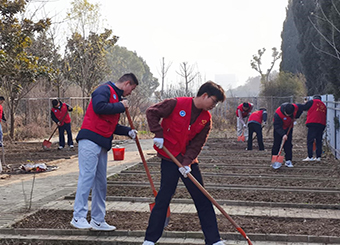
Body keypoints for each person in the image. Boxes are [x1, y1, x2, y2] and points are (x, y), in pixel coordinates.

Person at [143, 81, 227, 245]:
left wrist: (187, 163)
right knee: (163, 198)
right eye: (214, 101)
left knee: (202, 199)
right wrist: (158, 133)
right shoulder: (176, 104)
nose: (214, 105)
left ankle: (214, 240)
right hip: (169, 159)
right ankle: (150, 240)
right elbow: (151, 112)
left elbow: (197, 143)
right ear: (204, 95)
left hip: (188, 163)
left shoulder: (206, 119)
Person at [70, 73, 139, 231]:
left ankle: (98, 219)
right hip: (89, 140)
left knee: (101, 182)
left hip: (102, 143)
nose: (130, 93)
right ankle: (78, 216)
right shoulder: (104, 90)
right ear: (127, 83)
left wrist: (128, 131)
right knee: (87, 177)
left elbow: (110, 124)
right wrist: (121, 106)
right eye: (132, 89)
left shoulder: (116, 98)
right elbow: (98, 107)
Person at [271, 102, 303, 169]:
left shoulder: (295, 107)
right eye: (287, 114)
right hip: (279, 129)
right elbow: (277, 126)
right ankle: (274, 161)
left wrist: (296, 117)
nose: (288, 115)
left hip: (289, 128)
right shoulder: (278, 114)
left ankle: (288, 160)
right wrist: (283, 134)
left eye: (290, 114)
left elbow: (301, 108)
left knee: (288, 144)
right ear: (284, 111)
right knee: (276, 144)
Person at [301, 94, 327, 161]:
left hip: (312, 123)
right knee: (319, 140)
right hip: (321, 124)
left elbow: (304, 107)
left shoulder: (312, 102)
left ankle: (310, 157)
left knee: (310, 140)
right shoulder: (323, 105)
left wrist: (305, 103)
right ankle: (318, 157)